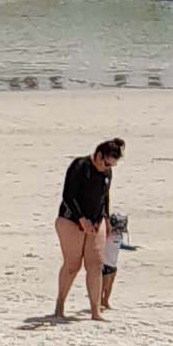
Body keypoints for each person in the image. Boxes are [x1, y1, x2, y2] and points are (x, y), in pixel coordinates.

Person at [54, 137, 124, 321]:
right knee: (72, 264)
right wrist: (81, 218)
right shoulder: (80, 166)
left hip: (96, 220)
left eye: (112, 165)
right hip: (71, 220)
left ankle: (95, 310)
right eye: (106, 163)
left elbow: (104, 197)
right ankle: (60, 306)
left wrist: (106, 219)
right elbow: (68, 195)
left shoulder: (107, 172)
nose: (107, 167)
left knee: (96, 264)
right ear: (99, 155)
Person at [100, 209, 133, 313]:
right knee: (104, 285)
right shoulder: (107, 234)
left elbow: (120, 244)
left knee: (110, 285)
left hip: (113, 263)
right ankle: (99, 301)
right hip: (105, 263)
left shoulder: (119, 235)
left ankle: (106, 302)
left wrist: (131, 248)